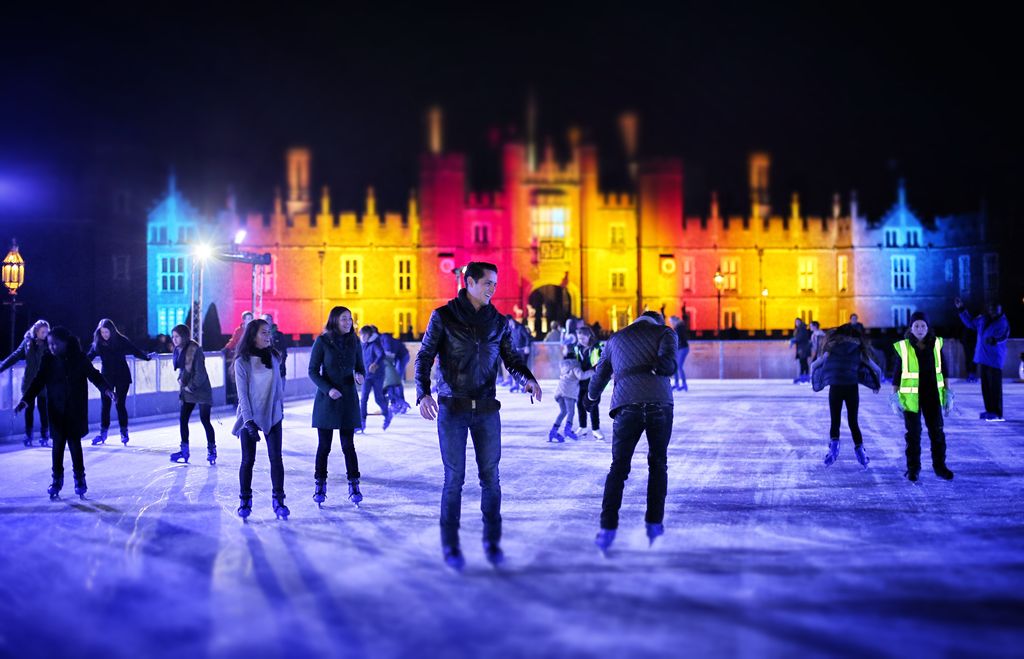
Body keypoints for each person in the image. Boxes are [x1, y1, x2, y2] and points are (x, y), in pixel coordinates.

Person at [415, 261, 540, 571]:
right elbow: (424, 356)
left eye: (495, 283)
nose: (492, 288)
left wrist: (527, 378)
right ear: (469, 282)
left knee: (491, 479)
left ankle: (492, 542)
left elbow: (511, 358)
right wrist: (423, 393)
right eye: (487, 283)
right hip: (452, 407)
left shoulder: (498, 322)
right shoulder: (443, 317)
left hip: (485, 408)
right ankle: (451, 546)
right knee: (453, 479)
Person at [585, 311, 677, 554]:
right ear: (657, 322)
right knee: (658, 465)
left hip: (626, 406)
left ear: (636, 320)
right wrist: (659, 367)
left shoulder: (615, 339)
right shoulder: (665, 332)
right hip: (659, 404)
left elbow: (600, 374)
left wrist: (591, 398)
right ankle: (654, 525)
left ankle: (607, 529)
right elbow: (669, 364)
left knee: (619, 468)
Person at [17, 327, 114, 500]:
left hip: (75, 410)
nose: (52, 347)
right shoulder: (48, 359)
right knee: (58, 446)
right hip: (56, 411)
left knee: (75, 445)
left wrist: (106, 389)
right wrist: (26, 400)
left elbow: (94, 375)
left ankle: (79, 479)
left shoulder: (79, 358)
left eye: (56, 344)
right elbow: (38, 381)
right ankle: (57, 480)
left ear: (65, 342)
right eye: (50, 344)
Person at [309, 306, 366, 508]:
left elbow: (360, 367)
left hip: (348, 400)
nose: (348, 323)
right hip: (327, 400)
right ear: (334, 320)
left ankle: (354, 484)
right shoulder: (322, 342)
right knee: (324, 446)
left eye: (350, 319)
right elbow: (313, 371)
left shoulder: (354, 341)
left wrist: (359, 376)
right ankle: (320, 484)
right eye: (344, 319)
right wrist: (328, 389)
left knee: (348, 446)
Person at [233, 319, 288, 519]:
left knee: (276, 459)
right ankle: (245, 500)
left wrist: (278, 408)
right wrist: (248, 422)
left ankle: (279, 500)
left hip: (272, 415)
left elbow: (277, 389)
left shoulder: (274, 356)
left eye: (268, 332)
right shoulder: (242, 362)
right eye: (264, 333)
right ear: (253, 335)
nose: (268, 336)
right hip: (250, 416)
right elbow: (243, 395)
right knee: (248, 460)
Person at [810, 324, 883, 469]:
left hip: (835, 387)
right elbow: (878, 370)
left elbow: (813, 366)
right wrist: (877, 384)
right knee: (853, 421)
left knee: (835, 420)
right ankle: (861, 452)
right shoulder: (858, 349)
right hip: (851, 388)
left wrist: (816, 380)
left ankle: (833, 449)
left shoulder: (830, 348)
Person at [892, 311, 954, 482]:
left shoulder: (936, 345)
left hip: (932, 395)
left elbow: (944, 369)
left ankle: (940, 467)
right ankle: (913, 469)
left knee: (937, 432)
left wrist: (948, 392)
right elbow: (896, 373)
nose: (920, 329)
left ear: (928, 327)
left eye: (923, 325)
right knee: (913, 434)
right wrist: (894, 397)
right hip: (911, 398)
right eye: (916, 325)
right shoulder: (903, 347)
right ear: (911, 328)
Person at [87, 318, 153, 445]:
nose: (104, 335)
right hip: (106, 377)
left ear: (112, 330)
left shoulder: (121, 340)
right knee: (105, 405)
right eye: (102, 332)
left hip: (122, 376)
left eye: (106, 332)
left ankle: (123, 432)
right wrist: (79, 364)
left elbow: (134, 350)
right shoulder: (98, 344)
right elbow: (89, 357)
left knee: (119, 404)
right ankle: (103, 433)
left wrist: (146, 357)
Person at [168, 324, 216, 465]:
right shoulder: (178, 350)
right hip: (188, 390)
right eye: (173, 336)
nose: (174, 339)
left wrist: (191, 386)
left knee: (205, 420)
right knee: (183, 419)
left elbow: (200, 373)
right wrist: (182, 382)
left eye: (177, 336)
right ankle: (184, 450)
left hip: (201, 389)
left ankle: (212, 450)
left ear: (184, 336)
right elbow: (183, 369)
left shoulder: (195, 349)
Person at [956, 297, 1010, 421]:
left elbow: (1004, 336)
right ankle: (989, 410)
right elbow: (970, 323)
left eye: (996, 310)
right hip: (983, 358)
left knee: (995, 387)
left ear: (1000, 310)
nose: (993, 312)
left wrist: (995, 340)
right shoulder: (982, 320)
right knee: (986, 387)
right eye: (991, 309)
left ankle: (997, 412)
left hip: (995, 360)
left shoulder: (1003, 322)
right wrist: (961, 309)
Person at [1, 319, 51, 446]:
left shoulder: (48, 345)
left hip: (43, 383)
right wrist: (1, 366)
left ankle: (45, 434)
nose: (45, 334)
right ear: (36, 331)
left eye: (46, 332)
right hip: (28, 382)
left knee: (43, 409)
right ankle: (28, 435)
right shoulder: (27, 342)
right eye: (42, 332)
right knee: (28, 410)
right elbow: (15, 356)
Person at [359, 325, 393, 431]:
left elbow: (381, 354)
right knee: (363, 399)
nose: (362, 336)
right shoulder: (363, 345)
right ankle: (362, 422)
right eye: (361, 334)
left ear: (369, 335)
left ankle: (387, 413)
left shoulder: (374, 344)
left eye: (364, 334)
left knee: (378, 398)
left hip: (377, 376)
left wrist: (375, 364)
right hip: (366, 376)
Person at [574, 324, 604, 440]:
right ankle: (583, 427)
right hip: (581, 380)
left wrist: (594, 370)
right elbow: (574, 361)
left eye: (582, 338)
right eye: (579, 338)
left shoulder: (598, 347)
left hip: (593, 380)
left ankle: (596, 429)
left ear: (589, 336)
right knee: (580, 403)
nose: (580, 341)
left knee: (593, 404)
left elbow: (603, 362)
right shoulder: (577, 348)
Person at [549, 341, 582, 442]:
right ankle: (567, 430)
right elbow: (581, 376)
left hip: (559, 391)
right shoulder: (575, 365)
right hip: (569, 392)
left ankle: (553, 432)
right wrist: (593, 371)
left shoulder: (563, 365)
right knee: (571, 412)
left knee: (563, 412)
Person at [506, 316, 532, 392]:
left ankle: (524, 386)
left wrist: (527, 346)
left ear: (511, 320)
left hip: (522, 350)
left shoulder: (520, 327)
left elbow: (527, 337)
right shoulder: (510, 328)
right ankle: (516, 385)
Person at [262, 313, 289, 379]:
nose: (266, 322)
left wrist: (280, 365)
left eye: (268, 319)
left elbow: (284, 353)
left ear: (272, 321)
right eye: (263, 320)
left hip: (279, 372)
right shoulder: (258, 336)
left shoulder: (279, 335)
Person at [789, 318, 812, 384]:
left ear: (800, 322)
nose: (796, 323)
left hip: (803, 349)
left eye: (798, 321)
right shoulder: (800, 329)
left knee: (803, 363)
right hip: (801, 348)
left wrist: (793, 340)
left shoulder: (802, 329)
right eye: (795, 321)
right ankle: (803, 377)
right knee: (803, 362)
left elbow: (799, 338)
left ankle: (804, 377)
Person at [673, 312, 690, 392]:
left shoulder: (678, 328)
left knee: (678, 366)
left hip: (682, 348)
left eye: (671, 321)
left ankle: (683, 384)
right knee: (676, 366)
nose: (671, 323)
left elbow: (678, 339)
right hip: (682, 348)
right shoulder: (679, 327)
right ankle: (677, 384)